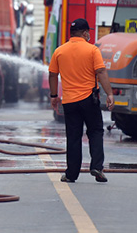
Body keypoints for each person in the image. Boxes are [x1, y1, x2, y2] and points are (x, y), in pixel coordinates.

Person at [49, 18, 114, 183]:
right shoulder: (92, 50)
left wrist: (54, 96)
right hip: (89, 99)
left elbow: (52, 74)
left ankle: (71, 174)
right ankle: (97, 167)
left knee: (73, 136)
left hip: (69, 101)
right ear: (85, 33)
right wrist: (110, 94)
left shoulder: (59, 51)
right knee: (95, 131)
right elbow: (101, 72)